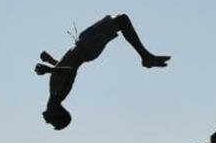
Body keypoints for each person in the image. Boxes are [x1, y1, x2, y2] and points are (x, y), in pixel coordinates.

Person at [34, 13, 170, 130]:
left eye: (50, 121)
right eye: (51, 121)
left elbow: (66, 67)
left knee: (121, 20)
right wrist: (49, 69)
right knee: (122, 20)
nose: (47, 121)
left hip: (83, 47)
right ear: (58, 113)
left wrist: (50, 61)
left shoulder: (55, 94)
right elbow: (71, 72)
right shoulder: (59, 95)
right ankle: (146, 57)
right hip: (85, 49)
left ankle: (146, 56)